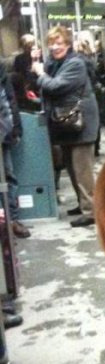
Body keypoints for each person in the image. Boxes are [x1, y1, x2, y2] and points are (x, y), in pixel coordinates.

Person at [32, 26, 100, 228]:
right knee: (71, 167)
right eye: (51, 43)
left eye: (59, 43)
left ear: (68, 45)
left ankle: (91, 211)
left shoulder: (76, 64)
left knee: (82, 169)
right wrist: (37, 62)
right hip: (68, 123)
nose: (54, 47)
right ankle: (83, 204)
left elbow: (55, 86)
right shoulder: (58, 63)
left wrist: (40, 73)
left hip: (80, 123)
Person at [0, 60, 30, 238]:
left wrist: (16, 127)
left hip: (2, 130)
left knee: (8, 176)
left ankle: (11, 220)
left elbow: (9, 98)